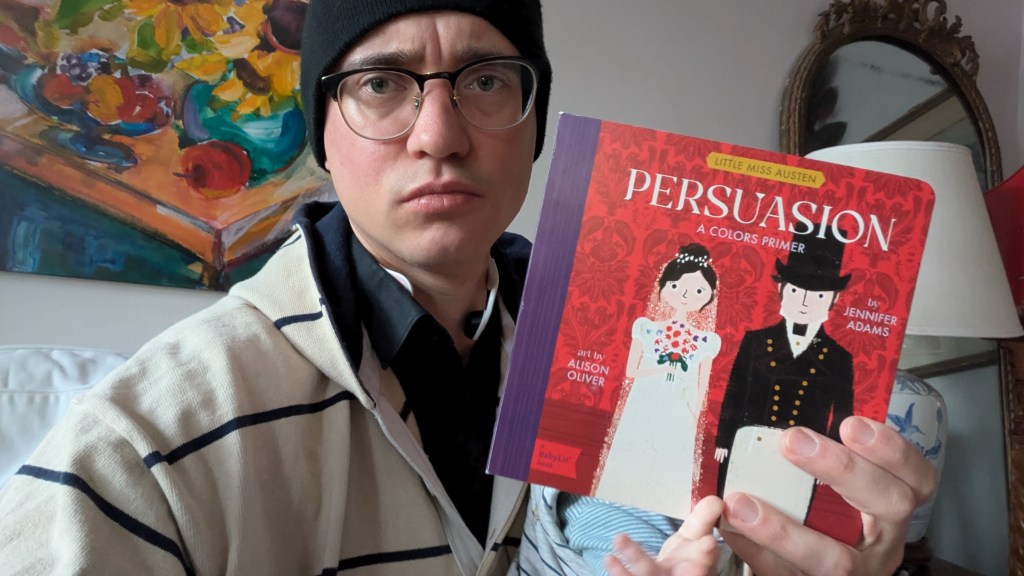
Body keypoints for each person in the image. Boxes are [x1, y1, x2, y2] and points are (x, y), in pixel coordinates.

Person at [0, 1, 936, 575]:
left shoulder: (609, 360)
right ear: (322, 135)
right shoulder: (149, 440)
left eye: (485, 80)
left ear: (531, 123)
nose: (440, 134)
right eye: (381, 85)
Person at [715, 229, 855, 503]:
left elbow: (842, 412)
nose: (804, 302)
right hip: (748, 445)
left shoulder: (838, 357)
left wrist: (831, 456)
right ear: (781, 289)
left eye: (818, 295)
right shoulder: (756, 341)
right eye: (795, 290)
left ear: (834, 299)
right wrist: (724, 439)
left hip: (800, 457)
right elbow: (736, 392)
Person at [596, 243, 721, 518]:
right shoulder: (647, 328)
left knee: (669, 460)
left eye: (698, 291)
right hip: (645, 400)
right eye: (677, 286)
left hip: (680, 407)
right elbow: (631, 371)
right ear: (664, 287)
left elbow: (703, 385)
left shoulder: (707, 341)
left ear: (709, 296)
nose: (686, 295)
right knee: (634, 452)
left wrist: (694, 415)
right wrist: (660, 369)